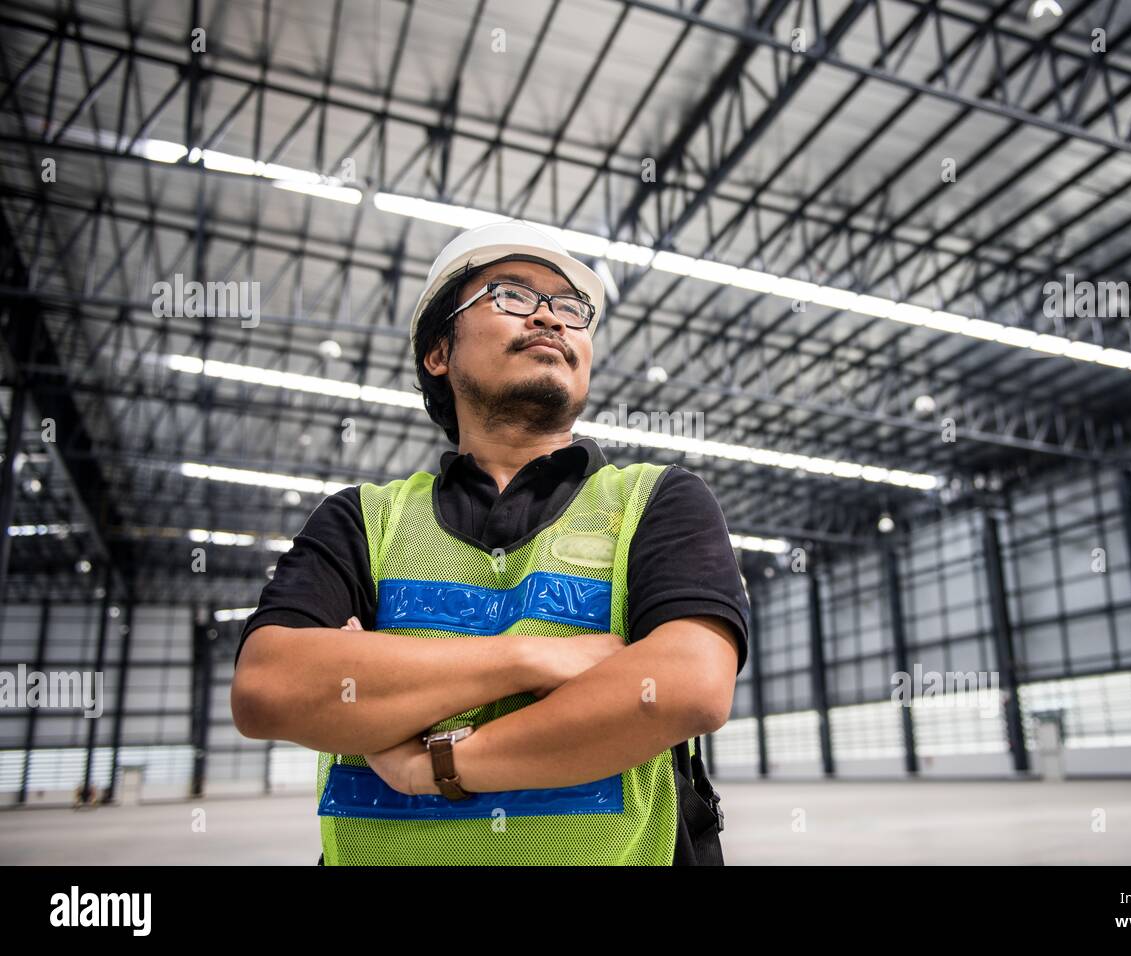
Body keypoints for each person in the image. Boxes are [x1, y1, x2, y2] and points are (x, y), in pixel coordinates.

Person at [231, 220, 749, 865]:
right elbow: (269, 690)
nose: (551, 320)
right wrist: (528, 660)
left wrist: (436, 763)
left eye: (570, 308)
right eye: (511, 295)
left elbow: (686, 687)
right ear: (439, 351)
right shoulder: (364, 520)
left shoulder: (659, 500)